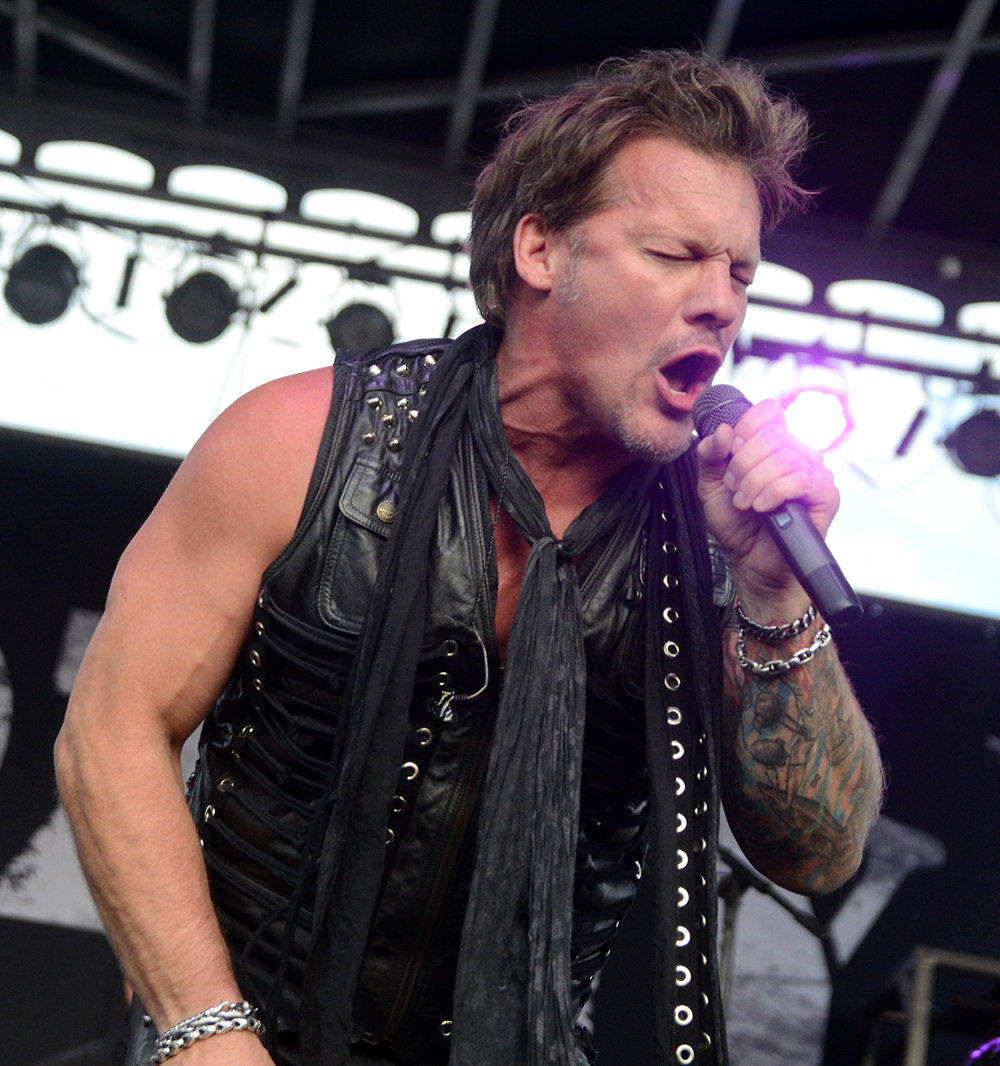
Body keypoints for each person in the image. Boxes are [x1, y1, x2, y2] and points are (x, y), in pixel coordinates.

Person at [55, 49, 883, 1066]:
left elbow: (819, 851)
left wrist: (770, 587)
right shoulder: (302, 440)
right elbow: (112, 726)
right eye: (676, 254)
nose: (721, 301)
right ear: (541, 250)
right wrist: (204, 1033)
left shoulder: (717, 539)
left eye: (741, 271)